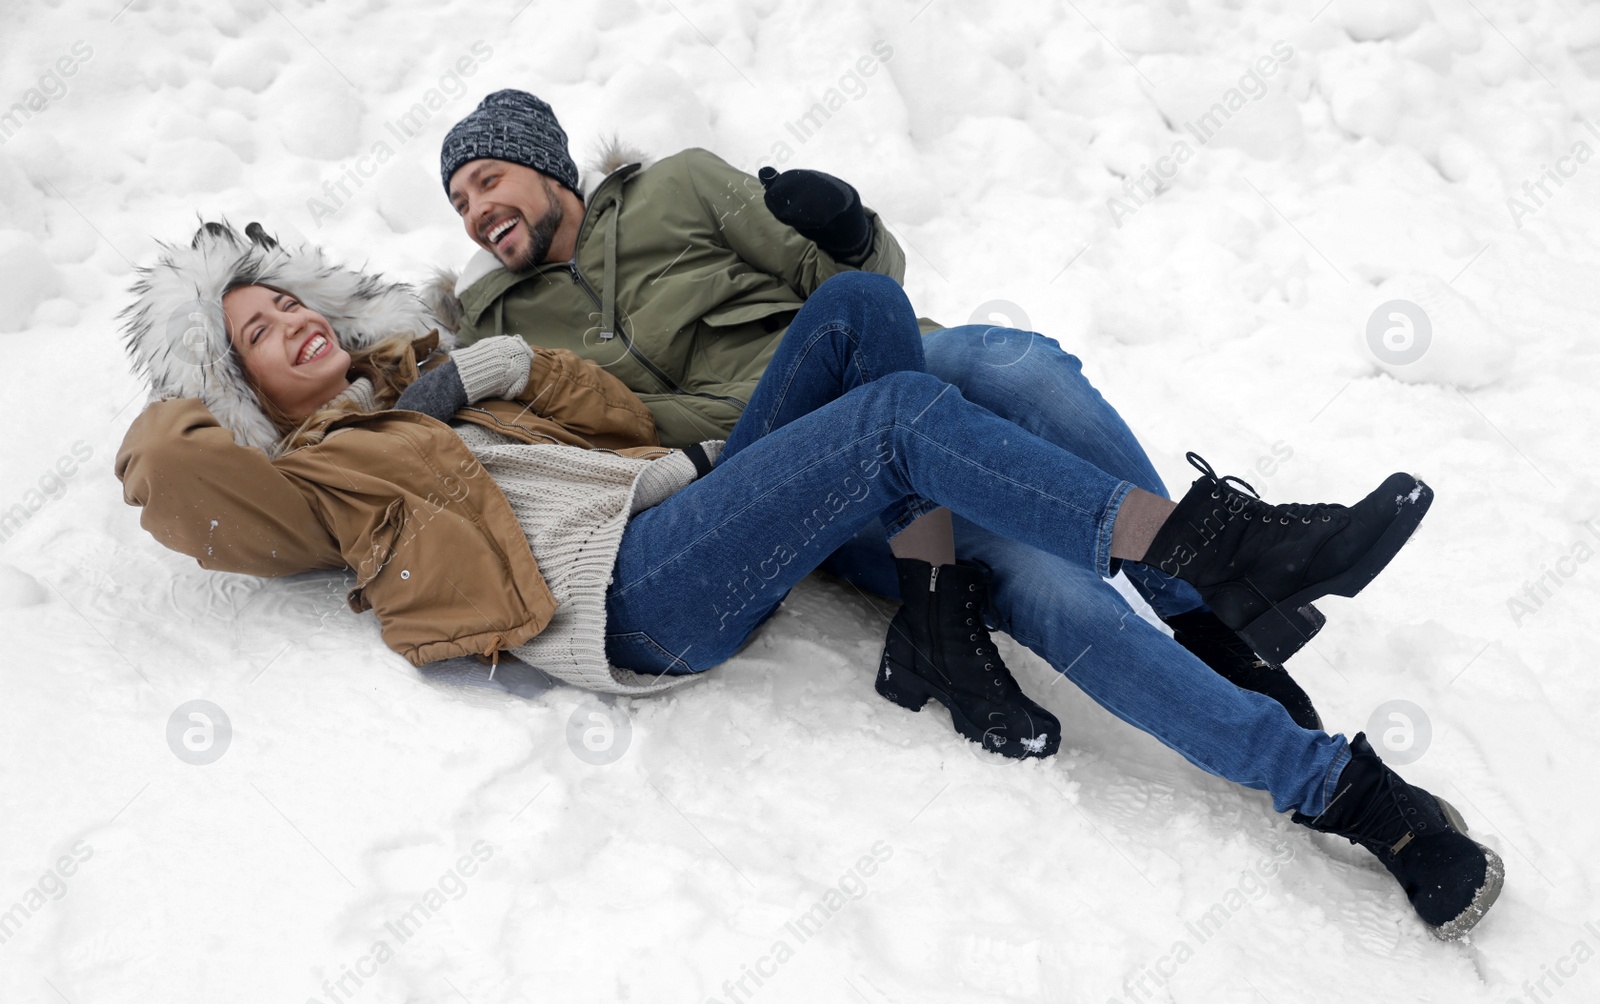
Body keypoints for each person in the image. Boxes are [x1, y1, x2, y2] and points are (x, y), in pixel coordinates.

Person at [115, 222, 1502, 939]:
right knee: (904, 423)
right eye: (256, 328)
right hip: (624, 600)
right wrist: (205, 337)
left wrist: (492, 370)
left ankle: (947, 621)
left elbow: (618, 426)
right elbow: (163, 470)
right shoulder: (305, 480)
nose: (292, 319)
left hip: (682, 503)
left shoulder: (426, 386)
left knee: (861, 316)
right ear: (232, 385)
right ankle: (1239, 608)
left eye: (291, 297)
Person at [433, 89, 1328, 751]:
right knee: (1054, 592)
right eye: (461, 204)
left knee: (1009, 360)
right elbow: (577, 447)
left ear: (546, 166)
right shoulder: (498, 323)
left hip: (880, 361)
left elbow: (865, 287)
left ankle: (1204, 606)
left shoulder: (682, 185)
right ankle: (1305, 769)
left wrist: (847, 230)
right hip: (793, 457)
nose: (477, 213)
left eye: (487, 180)